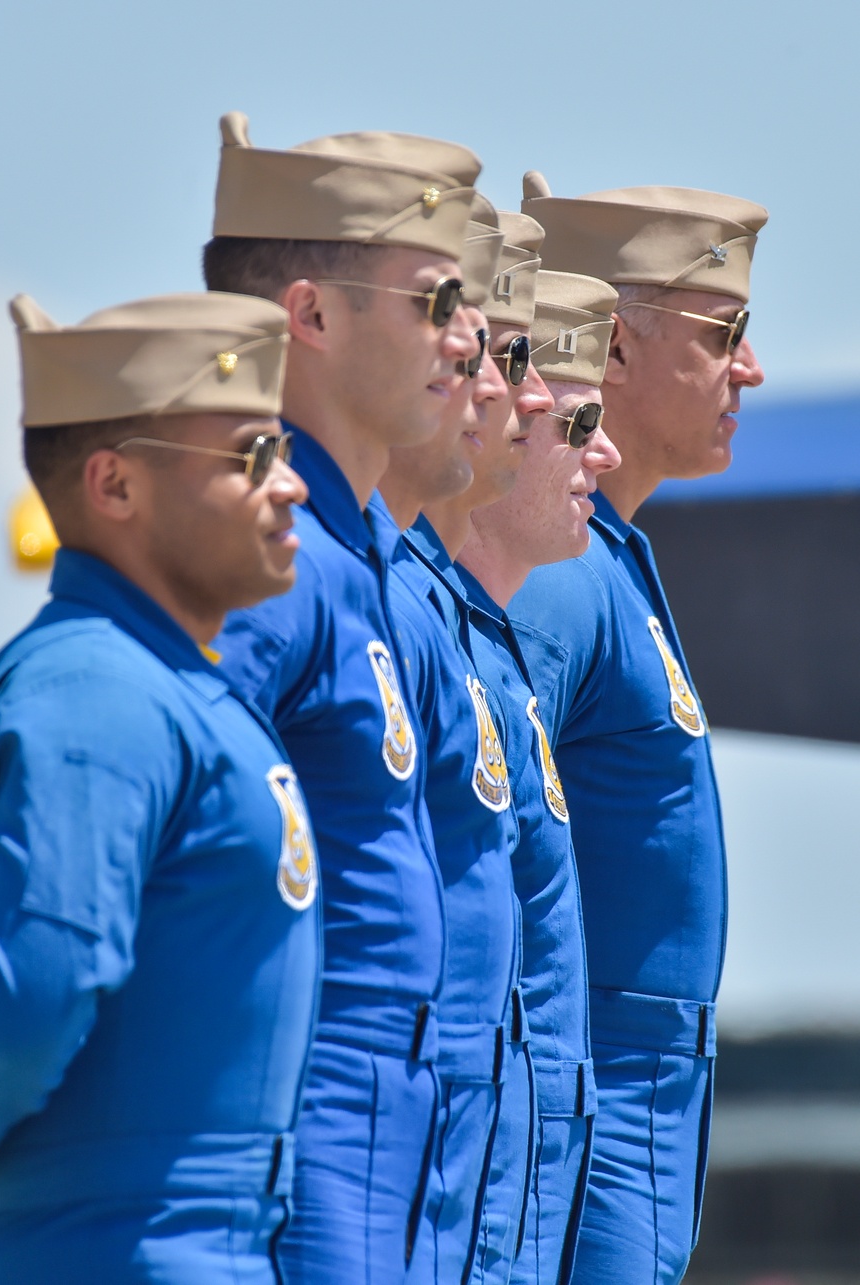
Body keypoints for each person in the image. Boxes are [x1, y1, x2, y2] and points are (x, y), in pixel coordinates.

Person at [0, 291, 321, 1284]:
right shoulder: (95, 690)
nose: (291, 486)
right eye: (253, 455)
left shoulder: (158, 683)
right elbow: (39, 986)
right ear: (114, 484)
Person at [201, 113, 482, 1282]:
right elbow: (154, 812)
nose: (472, 341)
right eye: (437, 302)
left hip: (395, 1141)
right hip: (307, 1144)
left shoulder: (359, 562)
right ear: (309, 316)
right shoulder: (277, 564)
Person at [512, 174, 768, 1282]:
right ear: (611, 348)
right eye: (726, 333)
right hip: (585, 1117)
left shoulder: (603, 559)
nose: (748, 368)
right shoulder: (562, 576)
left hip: (632, 1116)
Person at [459, 262, 622, 1284]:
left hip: (528, 1168)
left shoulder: (498, 642)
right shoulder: (460, 629)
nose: (600, 451)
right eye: (574, 420)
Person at [375, 199, 526, 1284]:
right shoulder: (331, 592)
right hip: (371, 1126)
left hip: (465, 1121)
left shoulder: (431, 599)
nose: (491, 383)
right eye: (465, 338)